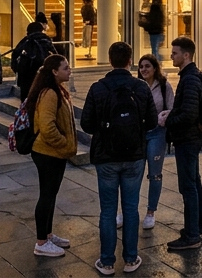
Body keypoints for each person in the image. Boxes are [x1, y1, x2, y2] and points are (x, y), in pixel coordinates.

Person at [82, 42, 158, 275]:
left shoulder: (98, 88)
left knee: (107, 210)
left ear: (110, 60)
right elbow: (152, 121)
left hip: (106, 156)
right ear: (130, 61)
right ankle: (130, 259)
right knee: (131, 208)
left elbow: (86, 124)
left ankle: (106, 262)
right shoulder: (141, 87)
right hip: (134, 155)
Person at [23, 54, 77, 257]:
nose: (69, 70)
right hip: (48, 152)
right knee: (46, 195)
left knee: (51, 194)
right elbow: (47, 127)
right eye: (65, 68)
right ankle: (41, 242)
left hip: (53, 152)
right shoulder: (50, 93)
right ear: (54, 71)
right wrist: (64, 143)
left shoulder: (57, 90)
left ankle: (48, 234)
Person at [165, 36, 202, 251]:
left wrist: (168, 120)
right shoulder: (190, 76)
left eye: (175, 53)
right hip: (191, 138)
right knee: (194, 181)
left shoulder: (190, 79)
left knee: (188, 186)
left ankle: (192, 235)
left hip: (188, 139)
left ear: (186, 55)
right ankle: (196, 227)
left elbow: (189, 114)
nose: (171, 56)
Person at [138, 54, 174, 229]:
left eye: (147, 66)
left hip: (157, 133)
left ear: (154, 68)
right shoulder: (136, 85)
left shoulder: (164, 86)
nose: (144, 69)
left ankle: (151, 212)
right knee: (133, 174)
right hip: (139, 134)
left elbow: (172, 108)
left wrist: (164, 116)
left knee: (155, 174)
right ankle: (128, 210)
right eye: (141, 67)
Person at [12, 20, 59, 101]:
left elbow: (15, 54)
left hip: (26, 75)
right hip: (42, 74)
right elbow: (56, 56)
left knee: (26, 99)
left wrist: (17, 68)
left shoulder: (26, 40)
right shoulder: (46, 40)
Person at [143, 0, 167, 64]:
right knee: (157, 48)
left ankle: (156, 63)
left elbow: (152, 19)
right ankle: (158, 61)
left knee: (154, 49)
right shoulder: (161, 8)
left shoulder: (153, 7)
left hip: (153, 31)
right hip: (159, 30)